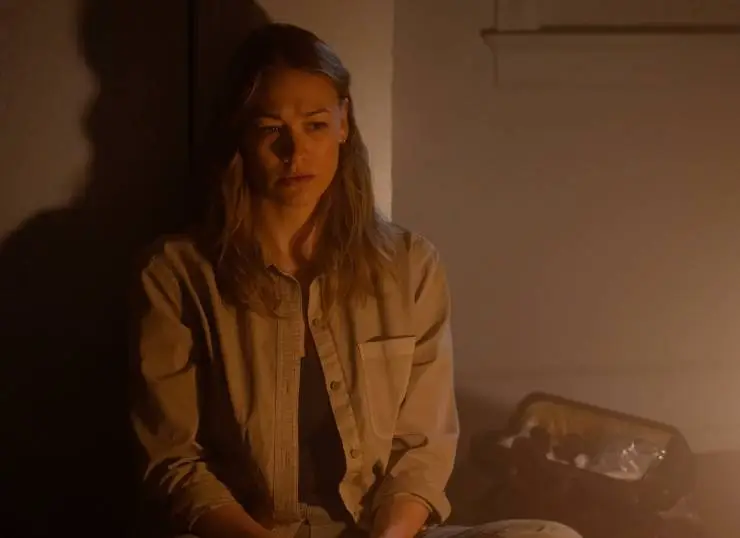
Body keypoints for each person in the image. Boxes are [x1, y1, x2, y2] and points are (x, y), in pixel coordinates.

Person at [129, 22, 582, 538]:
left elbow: (423, 449)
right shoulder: (177, 274)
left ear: (343, 123)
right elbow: (173, 461)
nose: (294, 152)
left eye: (315, 125)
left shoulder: (408, 265)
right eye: (271, 129)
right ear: (241, 134)